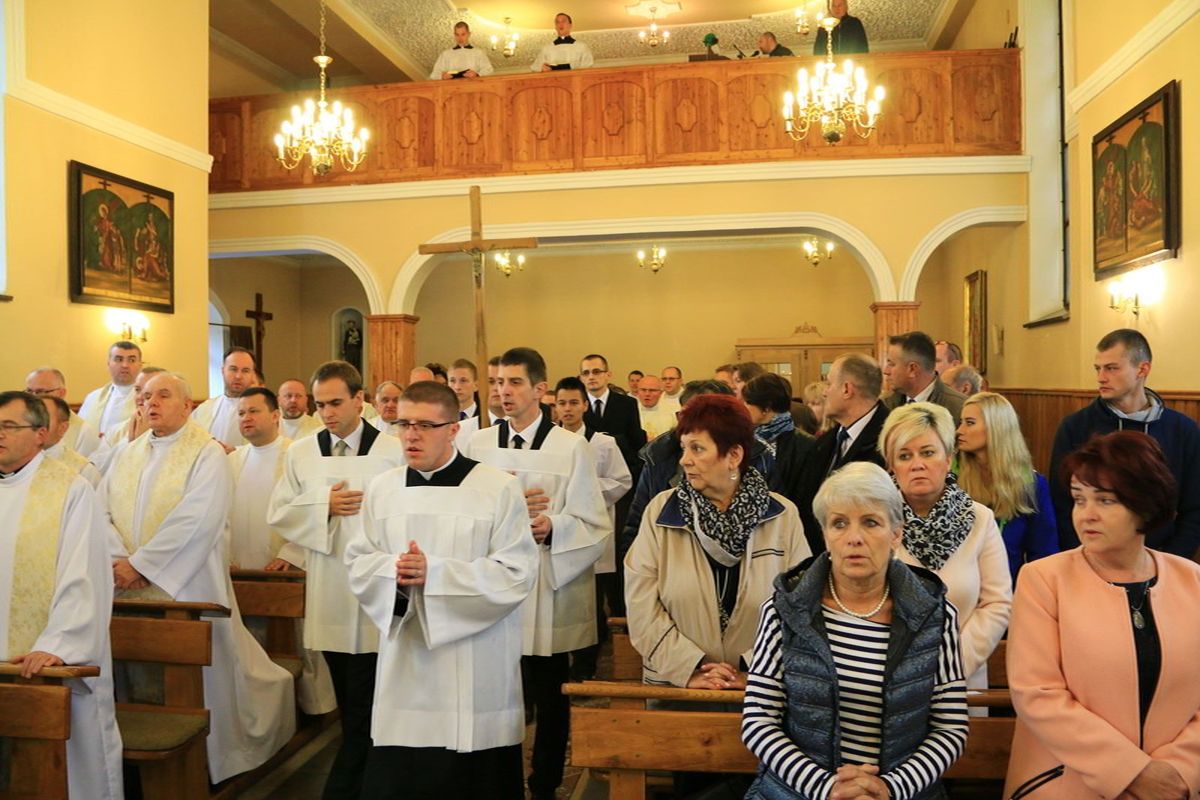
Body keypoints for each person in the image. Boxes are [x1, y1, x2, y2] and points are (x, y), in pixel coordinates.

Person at [345, 382, 537, 800]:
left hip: (476, 661)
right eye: (403, 424)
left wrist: (436, 574)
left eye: (425, 426)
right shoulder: (383, 488)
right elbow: (358, 561)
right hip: (406, 664)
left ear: (453, 429)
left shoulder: (497, 488)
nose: (411, 435)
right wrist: (395, 572)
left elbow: (517, 572)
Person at [101, 372, 296, 782]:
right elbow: (102, 513)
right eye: (145, 396)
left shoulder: (207, 454)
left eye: (163, 395)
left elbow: (199, 520)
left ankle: (210, 760)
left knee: (201, 678)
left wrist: (141, 565)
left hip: (189, 587)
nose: (151, 403)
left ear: (187, 406)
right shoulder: (125, 454)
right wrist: (119, 560)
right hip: (126, 591)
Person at [743, 462, 968, 799]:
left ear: (896, 534)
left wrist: (889, 789)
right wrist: (826, 789)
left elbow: (950, 728)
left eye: (871, 522)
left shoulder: (936, 615)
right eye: (839, 523)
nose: (854, 538)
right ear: (825, 535)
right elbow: (758, 720)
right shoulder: (783, 609)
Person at [1004, 431, 1200, 800]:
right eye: (1079, 499)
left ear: (1145, 506)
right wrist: (1132, 773)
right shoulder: (1044, 579)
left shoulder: (1193, 581)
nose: (1087, 514)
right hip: (1064, 781)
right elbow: (1037, 693)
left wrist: (1180, 771)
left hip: (1176, 786)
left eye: (1105, 500)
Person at [462, 347, 609, 800]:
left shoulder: (570, 447)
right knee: (497, 693)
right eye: (497, 382)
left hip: (545, 583)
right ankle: (500, 781)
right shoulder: (477, 444)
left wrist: (552, 526)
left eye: (514, 382)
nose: (503, 391)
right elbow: (460, 512)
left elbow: (594, 521)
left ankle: (545, 782)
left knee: (549, 694)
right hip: (494, 584)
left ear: (540, 389)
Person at [268, 361, 407, 799]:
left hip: (377, 590)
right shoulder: (301, 452)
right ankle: (365, 774)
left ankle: (354, 781)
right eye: (320, 404)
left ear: (359, 399)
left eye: (335, 403)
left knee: (371, 695)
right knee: (349, 697)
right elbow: (279, 513)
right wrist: (322, 506)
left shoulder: (393, 450)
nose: (326, 413)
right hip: (329, 589)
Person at [625, 394, 809, 689]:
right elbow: (641, 605)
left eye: (697, 448)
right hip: (676, 684)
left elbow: (799, 606)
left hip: (758, 686)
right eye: (683, 447)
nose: (684, 460)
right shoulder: (660, 512)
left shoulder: (781, 515)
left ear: (734, 456)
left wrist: (754, 670)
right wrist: (688, 668)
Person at [0, 391, 125, 800]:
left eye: (9, 426)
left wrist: (57, 644)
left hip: (42, 658)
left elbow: (84, 575)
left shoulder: (70, 489)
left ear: (41, 434)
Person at [880, 403, 1011, 691]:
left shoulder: (979, 519)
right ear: (891, 465)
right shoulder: (876, 521)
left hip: (962, 677)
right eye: (904, 456)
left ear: (948, 458)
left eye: (928, 453)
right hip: (888, 680)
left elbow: (997, 603)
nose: (917, 464)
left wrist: (950, 664)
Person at [227, 387, 336, 717]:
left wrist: (290, 554)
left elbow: (311, 511)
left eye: (254, 411)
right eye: (241, 413)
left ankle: (312, 709)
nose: (246, 418)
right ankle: (262, 711)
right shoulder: (232, 461)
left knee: (295, 642)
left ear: (275, 415)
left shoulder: (297, 456)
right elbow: (220, 514)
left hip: (286, 571)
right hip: (240, 572)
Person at [1049, 328, 1200, 558]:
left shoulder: (1182, 430)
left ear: (1142, 369)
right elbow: (1061, 504)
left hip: (1161, 558)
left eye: (1111, 368)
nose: (1101, 377)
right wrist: (1083, 560)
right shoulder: (1076, 427)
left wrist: (1169, 561)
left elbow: (1195, 509)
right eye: (1098, 368)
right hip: (1090, 559)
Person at [555, 376, 632, 681]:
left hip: (592, 529)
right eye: (562, 403)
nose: (568, 409)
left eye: (574, 402)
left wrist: (583, 490)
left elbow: (622, 481)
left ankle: (589, 664)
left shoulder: (603, 443)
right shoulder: (549, 444)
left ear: (585, 405)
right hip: (558, 529)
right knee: (564, 599)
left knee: (592, 600)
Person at [956, 392, 1057, 584]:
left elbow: (1044, 553)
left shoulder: (1031, 484)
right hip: (959, 589)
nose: (959, 431)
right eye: (961, 422)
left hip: (1009, 589)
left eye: (969, 423)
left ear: (996, 428)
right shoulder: (951, 479)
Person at [793, 353, 889, 554]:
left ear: (847, 389)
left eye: (829, 384)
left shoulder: (890, 441)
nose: (825, 392)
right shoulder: (824, 442)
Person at [741, 372, 814, 501]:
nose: (743, 407)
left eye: (748, 402)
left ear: (766, 407)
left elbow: (804, 493)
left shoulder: (805, 445)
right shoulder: (745, 438)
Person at [883, 331, 967, 424]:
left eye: (891, 364)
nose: (886, 371)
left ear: (912, 369)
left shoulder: (959, 409)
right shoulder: (885, 405)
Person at [580, 352, 646, 470]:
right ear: (581, 378)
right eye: (586, 373)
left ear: (608, 375)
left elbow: (636, 441)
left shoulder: (627, 403)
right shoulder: (577, 405)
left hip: (622, 467)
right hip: (586, 467)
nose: (591, 377)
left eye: (596, 372)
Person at [25, 366, 102, 457]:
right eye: (29, 391)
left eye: (41, 392)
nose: (33, 398)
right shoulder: (21, 423)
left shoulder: (84, 432)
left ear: (61, 393)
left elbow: (85, 464)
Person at [192, 346, 257, 450]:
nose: (238, 376)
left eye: (245, 371)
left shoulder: (266, 410)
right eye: (233, 369)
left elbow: (272, 447)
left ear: (253, 374)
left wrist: (236, 451)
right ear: (223, 371)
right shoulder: (204, 410)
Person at [78, 340, 142, 438]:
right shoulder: (93, 397)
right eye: (119, 359)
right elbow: (79, 431)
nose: (125, 365)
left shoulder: (146, 399)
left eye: (132, 360)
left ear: (140, 365)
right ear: (108, 364)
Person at [40, 395, 102, 486]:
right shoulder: (19, 462)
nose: (32, 425)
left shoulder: (83, 471)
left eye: (42, 419)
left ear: (62, 428)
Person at [430, 21, 494, 80]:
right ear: (454, 35)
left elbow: (489, 70)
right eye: (457, 35)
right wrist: (442, 76)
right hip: (452, 87)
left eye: (463, 34)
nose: (460, 38)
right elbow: (434, 74)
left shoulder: (479, 53)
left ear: (469, 34)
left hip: (473, 86)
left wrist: (477, 74)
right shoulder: (445, 54)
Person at [635, 375, 675, 440]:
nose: (647, 394)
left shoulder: (672, 413)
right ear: (637, 391)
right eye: (643, 390)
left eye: (652, 390)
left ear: (661, 393)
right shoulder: (630, 411)